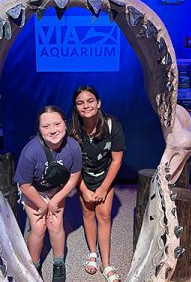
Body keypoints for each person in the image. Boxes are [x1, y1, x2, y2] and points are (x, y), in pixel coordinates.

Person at [14, 105, 82, 282]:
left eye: (57, 124)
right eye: (46, 126)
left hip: (57, 190)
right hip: (33, 191)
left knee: (56, 224)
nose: (53, 130)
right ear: (39, 129)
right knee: (38, 227)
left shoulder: (73, 147)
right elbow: (25, 185)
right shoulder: (31, 151)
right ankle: (34, 265)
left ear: (65, 125)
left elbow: (74, 177)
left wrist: (55, 201)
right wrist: (43, 205)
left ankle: (58, 263)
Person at [69, 86, 125, 282]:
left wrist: (103, 188)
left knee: (104, 215)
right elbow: (72, 166)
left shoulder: (112, 125)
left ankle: (106, 263)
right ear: (76, 107)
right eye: (80, 102)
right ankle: (92, 253)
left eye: (90, 100)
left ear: (98, 103)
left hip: (104, 177)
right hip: (82, 177)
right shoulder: (72, 130)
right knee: (87, 212)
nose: (86, 105)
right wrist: (83, 189)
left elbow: (117, 160)